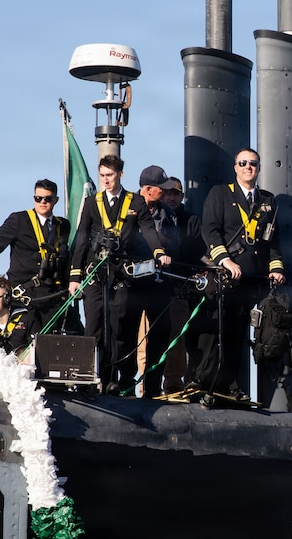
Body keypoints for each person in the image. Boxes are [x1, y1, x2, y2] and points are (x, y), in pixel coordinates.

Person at [193, 148, 286, 398]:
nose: (248, 167)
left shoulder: (267, 201)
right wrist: (225, 261)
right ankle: (203, 380)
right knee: (215, 330)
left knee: (237, 332)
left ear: (258, 168)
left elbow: (272, 241)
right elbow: (210, 231)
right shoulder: (220, 194)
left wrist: (275, 268)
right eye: (243, 163)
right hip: (225, 275)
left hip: (251, 279)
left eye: (253, 163)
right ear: (235, 167)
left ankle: (229, 384)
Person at [68, 155, 146, 394]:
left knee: (117, 328)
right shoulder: (93, 203)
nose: (106, 180)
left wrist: (160, 251)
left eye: (110, 176)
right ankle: (90, 377)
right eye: (102, 176)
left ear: (120, 175)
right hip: (95, 274)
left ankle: (114, 378)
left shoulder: (136, 202)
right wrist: (74, 276)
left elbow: (148, 231)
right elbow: (81, 238)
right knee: (94, 326)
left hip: (120, 275)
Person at [0, 179, 79, 335]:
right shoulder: (19, 220)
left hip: (52, 294)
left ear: (55, 200)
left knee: (67, 335)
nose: (42, 202)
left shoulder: (63, 225)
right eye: (38, 198)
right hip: (25, 295)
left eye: (47, 199)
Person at [130, 165, 181, 396]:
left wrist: (159, 241)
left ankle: (152, 387)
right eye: (162, 189)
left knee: (160, 334)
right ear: (149, 190)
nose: (166, 194)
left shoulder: (167, 214)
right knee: (129, 336)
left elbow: (176, 247)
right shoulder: (128, 206)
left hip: (158, 282)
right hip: (131, 283)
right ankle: (126, 385)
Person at [160, 176, 206, 391]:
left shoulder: (192, 220)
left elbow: (196, 252)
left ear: (181, 196)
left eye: (175, 194)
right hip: (157, 285)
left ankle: (174, 383)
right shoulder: (155, 217)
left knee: (179, 336)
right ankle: (147, 386)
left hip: (181, 285)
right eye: (167, 193)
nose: (171, 197)